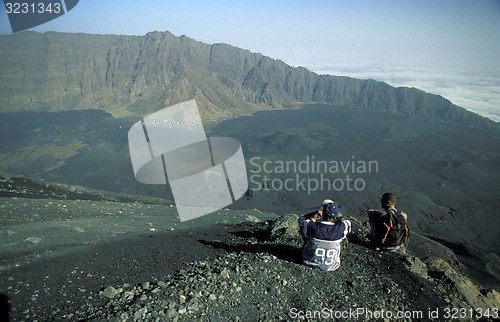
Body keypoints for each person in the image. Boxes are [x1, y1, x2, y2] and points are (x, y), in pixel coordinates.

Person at [298, 199, 351, 271]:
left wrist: (315, 213)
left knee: (306, 234)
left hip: (309, 262)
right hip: (332, 266)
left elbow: (301, 220)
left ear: (323, 213)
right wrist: (335, 219)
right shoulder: (341, 228)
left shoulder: (313, 227)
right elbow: (347, 222)